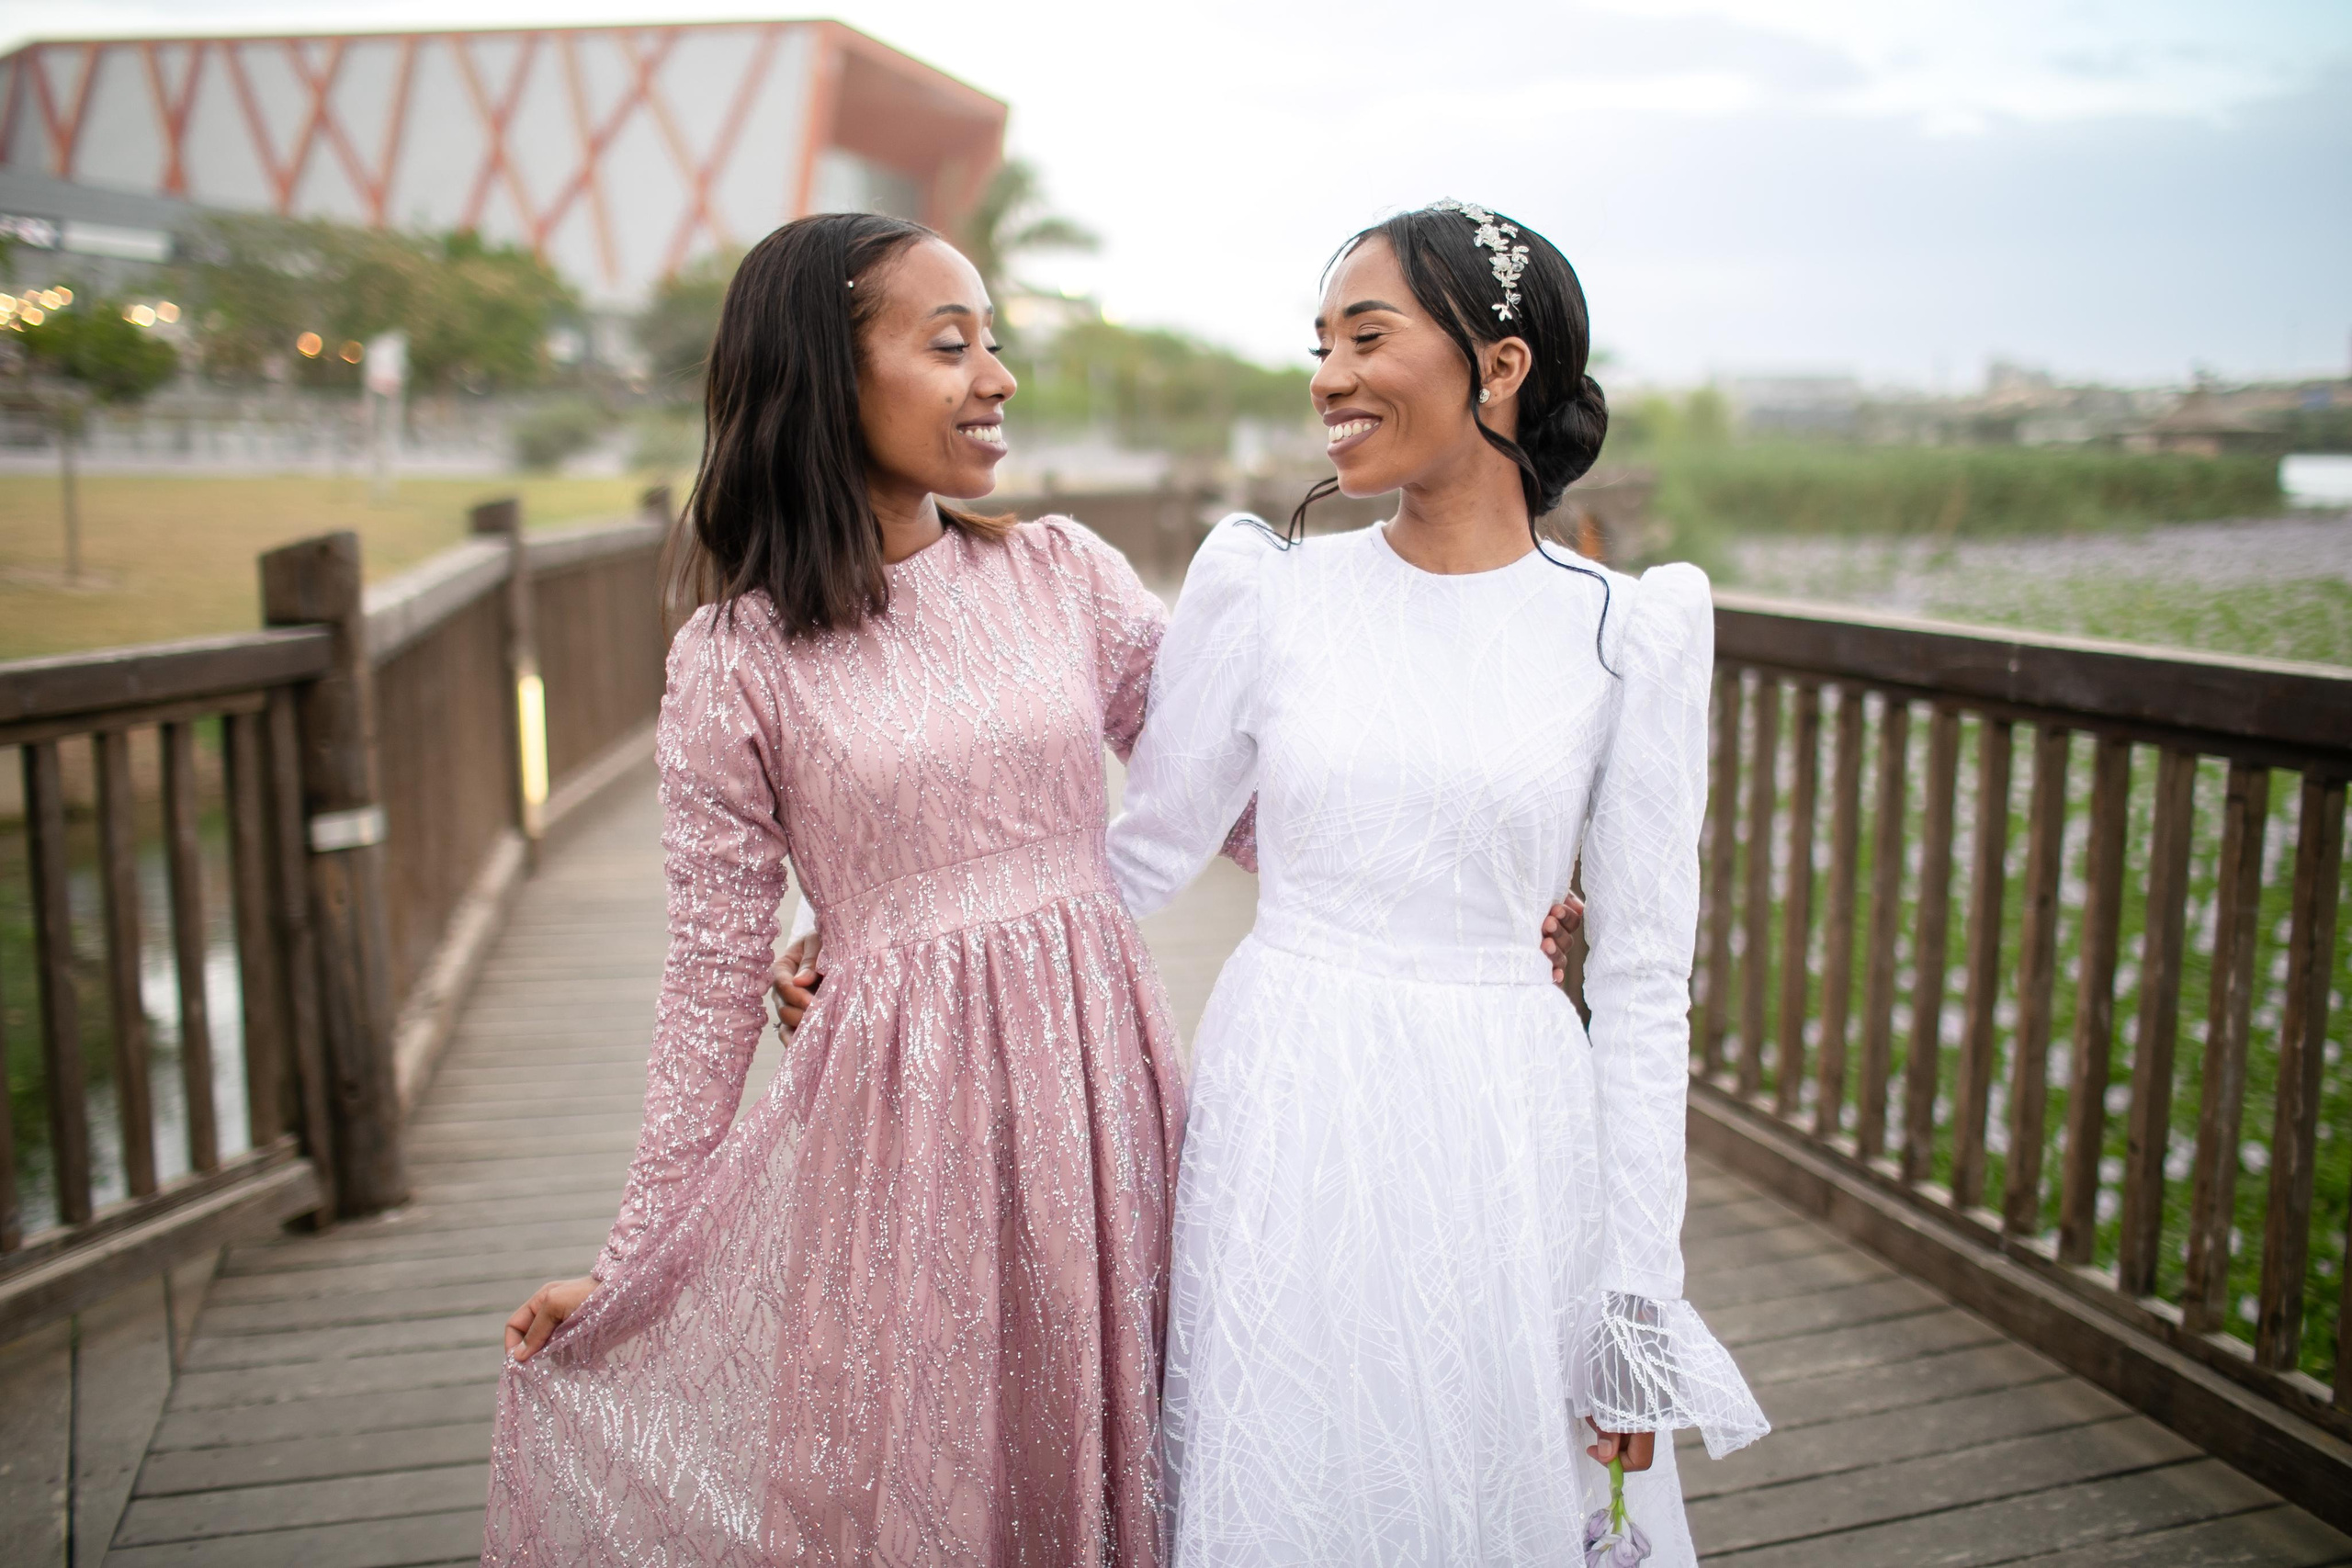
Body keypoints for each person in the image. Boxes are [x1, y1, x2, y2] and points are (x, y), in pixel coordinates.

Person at [481, 209, 1580, 1566]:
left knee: (1128, 1457)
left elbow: (1242, 794)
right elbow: (709, 974)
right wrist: (635, 1256)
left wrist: (1459, 896)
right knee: (921, 1484)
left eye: (993, 343)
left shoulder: (1059, 574)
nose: (995, 378)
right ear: (824, 376)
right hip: (897, 1138)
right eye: (951, 346)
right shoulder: (734, 660)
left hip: (1101, 1104)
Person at [1103, 201, 1770, 1566]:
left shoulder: (1626, 630)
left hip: (1507, 1126)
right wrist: (883, 926)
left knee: (1490, 1476)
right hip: (1285, 1095)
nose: (1327, 377)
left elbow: (1644, 982)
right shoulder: (1271, 591)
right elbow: (1141, 851)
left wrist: (1639, 1295)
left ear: (1500, 365)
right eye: (1320, 344)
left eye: (1367, 335)